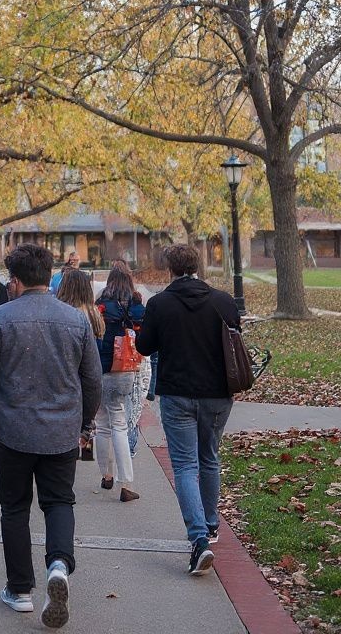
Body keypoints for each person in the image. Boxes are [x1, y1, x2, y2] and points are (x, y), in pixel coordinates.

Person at [0, 244, 102, 630]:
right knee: (59, 501)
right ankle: (59, 565)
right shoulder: (76, 320)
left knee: (14, 508)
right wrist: (84, 424)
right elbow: (92, 380)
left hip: (13, 430)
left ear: (14, 280)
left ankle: (19, 589)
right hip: (62, 429)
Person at [135, 243, 240, 577]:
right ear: (198, 266)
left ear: (170, 268)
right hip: (217, 393)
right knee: (209, 458)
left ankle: (198, 539)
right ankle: (210, 525)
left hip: (178, 393)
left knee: (184, 464)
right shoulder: (223, 301)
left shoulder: (160, 304)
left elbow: (144, 346)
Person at [91, 265, 146, 502]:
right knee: (120, 424)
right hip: (125, 368)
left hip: (101, 367)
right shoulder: (135, 304)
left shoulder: (101, 303)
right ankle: (126, 483)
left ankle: (106, 475)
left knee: (102, 424)